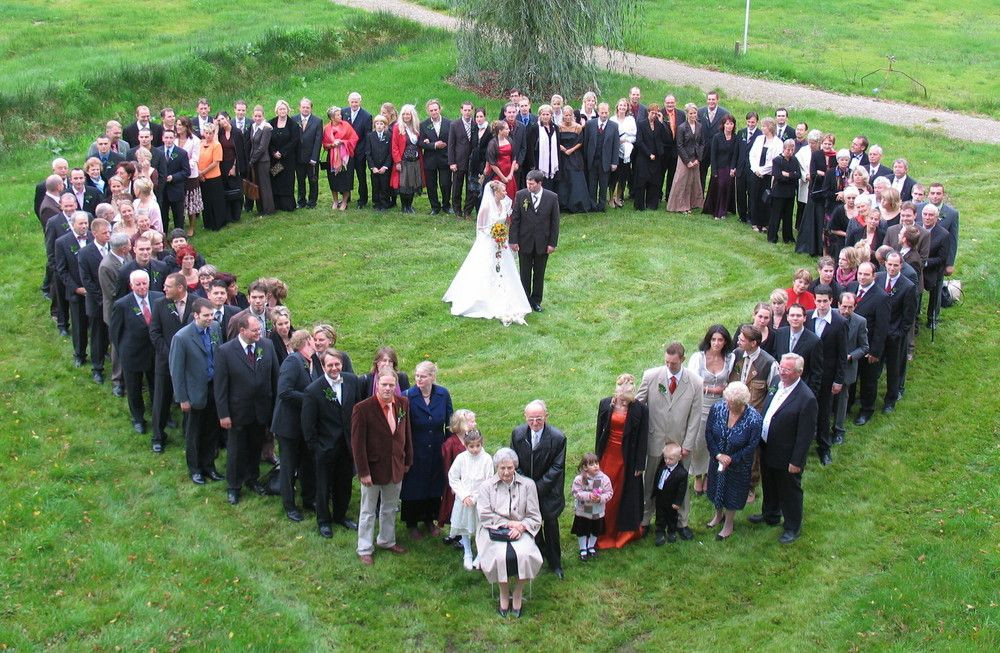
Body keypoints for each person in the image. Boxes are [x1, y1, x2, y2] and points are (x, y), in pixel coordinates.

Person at [636, 342, 703, 539]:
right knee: (649, 483)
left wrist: (688, 445)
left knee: (680, 483)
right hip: (654, 441)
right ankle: (645, 520)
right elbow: (639, 405)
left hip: (680, 444)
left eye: (673, 363)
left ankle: (681, 522)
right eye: (666, 362)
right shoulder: (651, 376)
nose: (669, 366)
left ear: (682, 359)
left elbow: (695, 416)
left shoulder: (695, 382)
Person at [442, 180, 532, 325]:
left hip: (501, 242)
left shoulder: (504, 204)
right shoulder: (485, 208)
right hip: (489, 242)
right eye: (503, 191)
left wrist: (503, 235)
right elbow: (481, 228)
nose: (506, 193)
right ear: (496, 192)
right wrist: (494, 236)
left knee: (505, 269)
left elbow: (506, 222)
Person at [749, 353, 817, 544]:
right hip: (768, 446)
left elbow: (805, 435)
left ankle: (792, 526)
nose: (783, 373)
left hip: (787, 454)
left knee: (789, 491)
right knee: (769, 484)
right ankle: (770, 514)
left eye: (788, 370)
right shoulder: (777, 382)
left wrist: (796, 461)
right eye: (781, 368)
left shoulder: (806, 398)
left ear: (799, 372)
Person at [214, 313, 279, 505]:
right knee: (236, 450)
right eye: (254, 330)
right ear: (242, 331)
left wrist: (274, 408)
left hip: (261, 410)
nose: (259, 333)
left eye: (259, 329)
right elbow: (220, 387)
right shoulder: (225, 351)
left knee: (255, 447)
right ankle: (234, 486)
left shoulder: (266, 346)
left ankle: (252, 478)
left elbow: (274, 377)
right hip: (238, 412)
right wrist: (223, 414)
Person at [351, 370, 413, 565]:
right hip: (373, 468)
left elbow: (406, 433)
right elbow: (357, 444)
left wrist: (407, 459)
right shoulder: (363, 408)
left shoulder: (402, 404)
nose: (388, 388)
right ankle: (364, 548)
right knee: (368, 510)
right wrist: (363, 472)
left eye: (391, 385)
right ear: (377, 384)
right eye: (384, 384)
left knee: (390, 507)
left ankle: (387, 540)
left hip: (396, 466)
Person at [476, 447, 543, 618]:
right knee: (499, 557)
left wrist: (521, 527)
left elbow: (535, 516)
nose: (506, 472)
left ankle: (518, 592)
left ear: (515, 467)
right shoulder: (486, 487)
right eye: (502, 468)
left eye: (510, 468)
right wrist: (509, 523)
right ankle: (504, 593)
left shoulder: (528, 485)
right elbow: (485, 515)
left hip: (522, 530)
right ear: (496, 468)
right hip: (493, 531)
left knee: (526, 555)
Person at [301, 349, 360, 538]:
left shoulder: (352, 381)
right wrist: (316, 448)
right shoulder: (313, 390)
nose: (334, 368)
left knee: (344, 483)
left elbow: (357, 410)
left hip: (347, 445)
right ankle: (324, 521)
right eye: (330, 365)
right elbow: (308, 424)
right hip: (325, 447)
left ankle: (340, 515)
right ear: (323, 366)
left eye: (337, 364)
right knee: (323, 485)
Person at [509, 399, 566, 579]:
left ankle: (555, 563)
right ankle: (538, 554)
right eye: (531, 419)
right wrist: (527, 485)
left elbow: (557, 468)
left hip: (548, 492)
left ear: (546, 417)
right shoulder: (518, 434)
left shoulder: (557, 438)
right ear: (525, 417)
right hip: (526, 490)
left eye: (539, 419)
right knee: (531, 525)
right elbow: (514, 462)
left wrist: (537, 487)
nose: (535, 423)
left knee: (550, 525)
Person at [168, 297, 223, 485]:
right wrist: (182, 398)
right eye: (206, 315)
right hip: (194, 392)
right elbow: (176, 371)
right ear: (195, 315)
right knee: (194, 432)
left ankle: (209, 465)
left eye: (212, 315)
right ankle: (195, 469)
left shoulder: (215, 328)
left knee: (211, 430)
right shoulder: (182, 338)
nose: (210, 318)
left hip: (213, 388)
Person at [401, 361, 453, 539]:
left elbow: (449, 421)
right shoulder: (407, 396)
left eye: (423, 376)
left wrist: (447, 445)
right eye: (416, 375)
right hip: (416, 448)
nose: (419, 379)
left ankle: (430, 519)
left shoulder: (443, 394)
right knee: (414, 485)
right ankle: (412, 522)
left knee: (433, 484)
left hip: (436, 448)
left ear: (432, 377)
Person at [595, 373, 648, 549]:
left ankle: (619, 531)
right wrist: (596, 458)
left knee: (619, 494)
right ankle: (600, 531)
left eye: (627, 401)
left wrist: (640, 464)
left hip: (627, 458)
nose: (624, 404)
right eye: (621, 400)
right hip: (607, 455)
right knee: (602, 491)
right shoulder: (605, 404)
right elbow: (599, 434)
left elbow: (642, 439)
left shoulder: (640, 409)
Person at [704, 381, 762, 540]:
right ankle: (718, 515)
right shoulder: (717, 408)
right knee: (716, 488)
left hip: (738, 465)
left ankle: (728, 524)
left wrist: (732, 459)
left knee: (732, 493)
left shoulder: (754, 419)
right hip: (717, 460)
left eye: (733, 404)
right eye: (727, 401)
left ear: (742, 404)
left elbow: (752, 445)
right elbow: (709, 432)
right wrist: (717, 455)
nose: (728, 405)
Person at [110, 270, 163, 434]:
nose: (142, 287)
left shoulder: (159, 298)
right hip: (132, 354)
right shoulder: (122, 304)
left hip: (154, 353)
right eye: (138, 284)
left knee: (157, 386)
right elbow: (115, 332)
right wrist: (122, 352)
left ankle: (160, 416)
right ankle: (138, 418)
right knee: (134, 388)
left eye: (144, 283)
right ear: (131, 285)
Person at [271, 330, 317, 522]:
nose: (316, 343)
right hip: (288, 426)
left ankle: (308, 499)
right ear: (306, 341)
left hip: (302, 426)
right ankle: (289, 505)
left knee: (307, 464)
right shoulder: (293, 361)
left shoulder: (310, 362)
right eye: (313, 340)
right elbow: (285, 392)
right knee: (289, 467)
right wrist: (311, 399)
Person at [687, 325, 737, 495]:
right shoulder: (698, 358)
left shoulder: (729, 358)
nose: (716, 343)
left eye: (720, 340)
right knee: (699, 441)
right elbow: (692, 382)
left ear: (725, 342)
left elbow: (730, 381)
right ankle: (698, 476)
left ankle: (710, 475)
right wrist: (712, 389)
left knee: (716, 440)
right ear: (708, 340)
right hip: (701, 404)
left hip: (722, 406)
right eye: (713, 339)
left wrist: (724, 390)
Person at [148, 272, 193, 452]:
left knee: (189, 399)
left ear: (180, 288)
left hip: (190, 364)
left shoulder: (195, 303)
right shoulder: (160, 304)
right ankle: (158, 436)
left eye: (168, 286)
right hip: (165, 362)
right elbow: (155, 332)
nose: (164, 288)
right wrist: (171, 355)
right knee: (161, 399)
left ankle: (188, 434)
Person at [805, 285, 848, 465]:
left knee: (823, 412)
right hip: (807, 373)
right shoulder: (806, 318)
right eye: (818, 300)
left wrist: (838, 380)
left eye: (825, 301)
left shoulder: (839, 322)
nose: (821, 304)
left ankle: (824, 448)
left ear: (831, 301)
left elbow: (841, 354)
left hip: (827, 376)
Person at [509, 170, 560, 313]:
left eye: (531, 184)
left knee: (539, 273)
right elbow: (515, 219)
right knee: (524, 273)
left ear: (539, 183)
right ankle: (524, 300)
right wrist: (513, 240)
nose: (529, 186)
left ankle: (536, 301)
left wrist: (552, 243)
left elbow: (555, 223)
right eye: (527, 183)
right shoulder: (521, 195)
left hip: (542, 243)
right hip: (525, 241)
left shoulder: (552, 198)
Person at [847, 262, 890, 426]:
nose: (862, 277)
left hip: (868, 347)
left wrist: (875, 352)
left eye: (866, 275)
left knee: (868, 380)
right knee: (850, 377)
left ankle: (866, 410)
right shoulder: (851, 287)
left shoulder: (881, 297)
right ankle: (847, 405)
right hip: (850, 344)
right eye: (860, 274)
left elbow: (881, 327)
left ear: (874, 276)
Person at [874, 252, 917, 414]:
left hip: (895, 335)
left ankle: (890, 400)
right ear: (885, 264)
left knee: (894, 369)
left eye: (895, 265)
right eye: (889, 264)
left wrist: (898, 333)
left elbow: (909, 316)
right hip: (878, 333)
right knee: (873, 367)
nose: (892, 268)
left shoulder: (907, 286)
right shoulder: (877, 279)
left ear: (901, 266)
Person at [447, 428, 494, 570]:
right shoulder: (461, 458)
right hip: (464, 499)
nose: (474, 450)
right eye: (471, 446)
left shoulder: (486, 459)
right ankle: (467, 551)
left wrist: (475, 497)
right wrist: (464, 495)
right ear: (466, 446)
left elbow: (489, 481)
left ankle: (480, 553)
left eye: (477, 446)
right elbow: (453, 477)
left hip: (480, 499)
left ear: (481, 444)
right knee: (464, 524)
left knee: (480, 526)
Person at [78, 216, 112, 384]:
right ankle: (97, 368)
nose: (108, 235)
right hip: (97, 302)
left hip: (112, 300)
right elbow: (86, 280)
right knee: (98, 335)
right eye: (104, 233)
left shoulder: (113, 248)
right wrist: (102, 298)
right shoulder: (85, 253)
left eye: (109, 232)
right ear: (94, 233)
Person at [832, 292, 868, 444]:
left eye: (850, 307)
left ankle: (839, 430)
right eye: (844, 307)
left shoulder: (860, 322)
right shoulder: (830, 315)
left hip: (846, 367)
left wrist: (850, 356)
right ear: (838, 305)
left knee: (842, 399)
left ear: (855, 306)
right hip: (828, 364)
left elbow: (864, 347)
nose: (846, 311)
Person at [440, 409, 476, 543]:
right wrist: (452, 485)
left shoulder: (472, 440)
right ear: (462, 424)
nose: (475, 424)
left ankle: (465, 534)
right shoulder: (451, 444)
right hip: (456, 483)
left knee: (467, 508)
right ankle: (454, 533)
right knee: (454, 508)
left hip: (470, 481)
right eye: (471, 422)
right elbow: (447, 465)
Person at [570, 453, 613, 561]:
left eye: (596, 463)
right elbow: (576, 492)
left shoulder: (604, 479)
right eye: (591, 464)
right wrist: (588, 495)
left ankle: (591, 546)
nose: (595, 466)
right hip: (583, 511)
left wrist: (600, 498)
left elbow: (609, 493)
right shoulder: (580, 479)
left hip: (597, 511)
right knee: (582, 530)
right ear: (585, 467)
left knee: (595, 530)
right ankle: (583, 548)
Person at [666, 103, 704, 214]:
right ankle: (680, 206)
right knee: (681, 182)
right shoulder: (682, 127)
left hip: (695, 159)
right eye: (691, 113)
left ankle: (691, 204)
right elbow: (679, 145)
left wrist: (698, 158)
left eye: (695, 113)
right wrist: (687, 161)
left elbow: (702, 143)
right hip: (684, 159)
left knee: (693, 182)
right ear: (687, 114)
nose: (693, 115)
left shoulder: (699, 126)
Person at [320, 106, 359, 211]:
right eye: (338, 115)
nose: (340, 116)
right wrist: (332, 144)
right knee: (333, 179)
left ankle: (345, 202)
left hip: (345, 158)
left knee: (346, 179)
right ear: (332, 117)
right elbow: (324, 144)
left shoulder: (346, 125)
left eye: (340, 114)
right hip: (332, 158)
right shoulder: (326, 128)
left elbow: (354, 138)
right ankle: (335, 201)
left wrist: (342, 142)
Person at [583, 102, 620, 212]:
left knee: (603, 184)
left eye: (606, 112)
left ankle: (602, 205)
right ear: (598, 112)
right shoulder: (590, 124)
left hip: (606, 161)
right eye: (602, 112)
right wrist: (586, 159)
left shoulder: (614, 126)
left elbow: (616, 145)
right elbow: (586, 143)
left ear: (609, 112)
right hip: (593, 160)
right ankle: (592, 204)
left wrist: (614, 162)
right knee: (592, 183)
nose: (604, 115)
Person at [651, 443, 688, 546]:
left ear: (679, 458)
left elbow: (682, 490)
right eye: (665, 458)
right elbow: (657, 480)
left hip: (672, 500)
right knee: (660, 515)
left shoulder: (682, 473)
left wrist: (678, 502)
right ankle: (660, 532)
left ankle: (672, 532)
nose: (667, 461)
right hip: (660, 497)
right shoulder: (662, 467)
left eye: (670, 459)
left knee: (672, 517)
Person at [632, 102, 668, 210]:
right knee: (641, 181)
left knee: (654, 181)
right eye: (652, 113)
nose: (654, 115)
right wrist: (649, 154)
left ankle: (652, 204)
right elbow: (639, 141)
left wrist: (662, 123)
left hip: (656, 157)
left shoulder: (659, 125)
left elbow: (665, 138)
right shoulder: (641, 124)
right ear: (648, 112)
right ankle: (640, 205)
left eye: (656, 113)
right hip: (643, 156)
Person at [419, 99, 452, 214]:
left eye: (435, 110)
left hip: (445, 158)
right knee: (431, 185)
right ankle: (435, 207)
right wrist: (433, 145)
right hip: (430, 160)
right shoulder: (423, 125)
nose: (434, 112)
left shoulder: (449, 123)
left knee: (445, 184)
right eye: (431, 110)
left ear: (440, 109)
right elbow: (420, 142)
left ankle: (446, 205)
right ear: (428, 111)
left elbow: (452, 141)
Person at [702, 114, 738, 219]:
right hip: (719, 168)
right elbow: (713, 155)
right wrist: (714, 171)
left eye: (731, 124)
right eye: (727, 124)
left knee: (727, 188)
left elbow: (735, 154)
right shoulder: (717, 137)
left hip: (729, 168)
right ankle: (717, 211)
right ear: (723, 125)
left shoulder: (735, 138)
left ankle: (724, 210)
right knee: (720, 187)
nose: (729, 126)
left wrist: (733, 168)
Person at [748, 118, 781, 232]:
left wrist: (762, 171)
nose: (762, 128)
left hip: (767, 176)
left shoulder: (778, 143)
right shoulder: (759, 139)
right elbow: (752, 155)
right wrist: (756, 169)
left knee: (765, 199)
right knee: (754, 197)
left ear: (770, 128)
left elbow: (775, 162)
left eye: (764, 126)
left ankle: (764, 223)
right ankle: (754, 222)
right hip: (755, 173)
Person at [268, 100, 301, 212]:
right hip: (275, 159)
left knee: (287, 181)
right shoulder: (271, 123)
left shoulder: (293, 125)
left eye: (284, 109)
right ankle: (276, 204)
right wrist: (273, 152)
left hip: (287, 160)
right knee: (275, 179)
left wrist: (282, 152)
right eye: (280, 109)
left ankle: (287, 205)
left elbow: (294, 141)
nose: (282, 111)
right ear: (277, 110)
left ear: (288, 110)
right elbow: (268, 141)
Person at [390, 104, 424, 214]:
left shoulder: (416, 127)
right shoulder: (397, 127)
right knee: (404, 185)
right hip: (403, 161)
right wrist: (397, 161)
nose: (406, 116)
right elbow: (394, 146)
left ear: (412, 115)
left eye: (408, 114)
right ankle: (404, 206)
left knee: (412, 184)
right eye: (404, 114)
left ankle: (410, 206)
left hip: (415, 161)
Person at [556, 105, 590, 213]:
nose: (567, 117)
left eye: (569, 115)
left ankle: (577, 204)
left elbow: (580, 141)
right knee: (563, 179)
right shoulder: (559, 127)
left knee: (575, 177)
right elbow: (556, 140)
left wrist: (571, 150)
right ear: (563, 116)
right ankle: (563, 203)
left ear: (572, 116)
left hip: (574, 155)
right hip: (562, 156)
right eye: (565, 115)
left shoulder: (578, 127)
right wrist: (561, 147)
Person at [214, 112, 246, 225]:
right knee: (225, 190)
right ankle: (228, 215)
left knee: (236, 188)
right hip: (222, 165)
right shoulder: (219, 133)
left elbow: (240, 152)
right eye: (218, 120)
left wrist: (234, 167)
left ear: (228, 118)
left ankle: (237, 213)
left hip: (234, 164)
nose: (221, 121)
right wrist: (216, 129)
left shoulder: (236, 132)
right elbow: (215, 146)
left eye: (222, 118)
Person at [174, 117, 203, 236]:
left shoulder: (195, 140)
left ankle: (191, 226)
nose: (178, 127)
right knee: (179, 199)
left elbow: (195, 158)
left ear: (186, 126)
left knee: (191, 201)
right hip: (177, 174)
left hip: (190, 174)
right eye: (177, 125)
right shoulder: (174, 139)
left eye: (181, 125)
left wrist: (184, 167)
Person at [768, 139, 801, 243]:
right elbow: (778, 176)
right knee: (776, 215)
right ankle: (772, 237)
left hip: (790, 193)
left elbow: (798, 175)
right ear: (784, 149)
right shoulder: (777, 160)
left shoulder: (794, 160)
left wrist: (787, 174)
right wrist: (791, 176)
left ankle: (788, 237)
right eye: (788, 150)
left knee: (788, 216)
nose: (790, 152)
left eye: (792, 150)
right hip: (779, 192)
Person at [157, 129, 191, 231]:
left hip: (176, 189)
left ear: (174, 138)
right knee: (162, 216)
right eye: (166, 138)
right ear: (162, 138)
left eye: (171, 138)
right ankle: (163, 238)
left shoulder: (181, 153)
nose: (168, 140)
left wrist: (173, 177)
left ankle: (179, 236)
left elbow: (186, 172)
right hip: (162, 190)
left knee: (178, 216)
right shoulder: (157, 152)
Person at [448, 101, 477, 217]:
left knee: (470, 187)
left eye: (469, 110)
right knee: (457, 187)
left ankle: (467, 210)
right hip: (459, 161)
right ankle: (457, 210)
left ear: (472, 110)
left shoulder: (475, 124)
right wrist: (452, 162)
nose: (467, 112)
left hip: (472, 162)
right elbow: (451, 145)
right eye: (465, 110)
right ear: (461, 110)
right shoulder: (454, 125)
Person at [345, 92, 373, 209]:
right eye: (352, 101)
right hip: (346, 151)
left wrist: (365, 153)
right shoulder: (343, 112)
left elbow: (367, 137)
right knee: (346, 175)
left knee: (361, 176)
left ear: (360, 102)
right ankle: (346, 197)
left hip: (360, 152)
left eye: (356, 101)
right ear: (349, 102)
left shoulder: (367, 116)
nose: (354, 104)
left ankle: (363, 199)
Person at [697, 91, 730, 190]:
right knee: (701, 173)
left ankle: (714, 198)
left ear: (717, 100)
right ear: (707, 100)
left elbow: (728, 131)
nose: (711, 101)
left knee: (716, 174)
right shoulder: (700, 112)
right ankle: (700, 197)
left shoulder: (724, 113)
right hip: (703, 149)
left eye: (713, 99)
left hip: (718, 149)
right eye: (709, 99)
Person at [294, 98, 323, 210]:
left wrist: (314, 158)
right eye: (303, 107)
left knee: (313, 180)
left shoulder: (317, 121)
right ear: (299, 107)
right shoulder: (294, 119)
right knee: (300, 180)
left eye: (308, 107)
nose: (305, 109)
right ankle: (301, 201)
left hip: (311, 157)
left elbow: (318, 141)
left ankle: (312, 201)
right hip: (299, 156)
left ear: (311, 108)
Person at [197, 123, 226, 231]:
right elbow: (195, 158)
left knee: (216, 200)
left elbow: (215, 163)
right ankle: (207, 223)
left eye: (210, 133)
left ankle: (218, 223)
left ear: (214, 133)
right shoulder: (200, 143)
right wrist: (199, 173)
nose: (208, 135)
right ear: (203, 133)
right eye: (206, 133)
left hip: (214, 177)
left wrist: (202, 173)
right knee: (206, 200)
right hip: (202, 177)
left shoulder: (217, 145)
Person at [525, 104, 559, 194]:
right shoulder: (535, 128)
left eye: (547, 114)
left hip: (552, 161)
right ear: (539, 115)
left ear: (551, 115)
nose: (545, 116)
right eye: (543, 114)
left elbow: (557, 145)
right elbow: (531, 147)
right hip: (539, 161)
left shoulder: (555, 128)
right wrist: (533, 164)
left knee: (551, 184)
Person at [608, 99, 636, 209]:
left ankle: (618, 197)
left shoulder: (630, 120)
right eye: (620, 105)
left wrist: (626, 140)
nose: (622, 107)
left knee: (623, 176)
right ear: (617, 106)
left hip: (626, 152)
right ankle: (610, 198)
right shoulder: (612, 119)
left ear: (627, 107)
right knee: (613, 176)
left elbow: (634, 135)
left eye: (624, 105)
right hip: (614, 151)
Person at [248, 106, 275, 215]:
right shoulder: (253, 126)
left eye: (260, 116)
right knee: (257, 185)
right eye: (255, 116)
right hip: (255, 161)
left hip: (263, 161)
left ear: (263, 116)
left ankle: (268, 209)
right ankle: (260, 208)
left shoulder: (266, 128)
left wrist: (252, 160)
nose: (257, 118)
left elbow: (263, 147)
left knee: (265, 186)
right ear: (252, 116)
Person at [365, 115, 393, 211]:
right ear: (374, 125)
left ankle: (385, 203)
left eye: (382, 124)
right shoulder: (370, 136)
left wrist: (385, 166)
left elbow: (390, 153)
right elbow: (368, 153)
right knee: (375, 185)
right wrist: (372, 167)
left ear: (385, 126)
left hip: (384, 167)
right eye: (377, 124)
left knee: (385, 185)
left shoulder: (389, 136)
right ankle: (376, 203)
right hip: (375, 167)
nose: (379, 126)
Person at [485, 120, 518, 200]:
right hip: (498, 173)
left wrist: (511, 174)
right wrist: (502, 177)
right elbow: (492, 163)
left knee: (510, 194)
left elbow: (513, 157)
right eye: (506, 129)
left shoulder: (509, 140)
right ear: (500, 131)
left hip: (509, 173)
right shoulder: (493, 143)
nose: (509, 130)